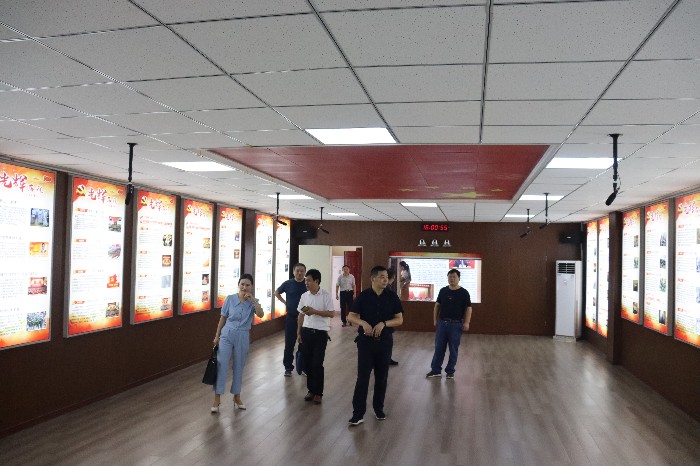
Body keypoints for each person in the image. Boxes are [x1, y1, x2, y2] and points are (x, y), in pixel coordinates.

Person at [347, 266, 403, 425]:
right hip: (365, 343)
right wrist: (363, 323)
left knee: (382, 377)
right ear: (373, 279)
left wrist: (384, 323)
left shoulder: (392, 297)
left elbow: (399, 319)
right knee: (362, 378)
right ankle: (358, 413)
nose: (385, 280)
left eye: (386, 277)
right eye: (382, 277)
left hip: (384, 342)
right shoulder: (363, 296)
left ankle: (379, 408)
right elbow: (351, 316)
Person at [211, 273, 264, 412]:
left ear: (251, 287)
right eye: (242, 284)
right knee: (221, 365)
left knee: (239, 366)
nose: (244, 287)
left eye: (247, 285)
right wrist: (217, 336)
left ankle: (237, 396)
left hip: (243, 335)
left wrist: (253, 301)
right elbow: (223, 318)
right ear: (238, 285)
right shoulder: (230, 299)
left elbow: (261, 314)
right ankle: (217, 399)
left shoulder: (253, 302)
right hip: (227, 334)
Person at [426, 269, 472, 379]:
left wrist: (467, 322)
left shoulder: (464, 293)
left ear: (459, 278)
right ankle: (436, 370)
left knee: (453, 349)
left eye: (454, 277)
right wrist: (435, 320)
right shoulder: (443, 291)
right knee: (439, 348)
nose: (452, 279)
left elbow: (469, 308)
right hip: (442, 324)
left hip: (456, 325)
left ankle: (450, 371)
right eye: (450, 277)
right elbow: (437, 306)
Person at [297, 269, 335, 404]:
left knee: (317, 363)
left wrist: (315, 312)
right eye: (305, 280)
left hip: (320, 333)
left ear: (316, 281)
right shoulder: (304, 296)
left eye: (308, 280)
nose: (306, 283)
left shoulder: (326, 295)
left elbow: (331, 313)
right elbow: (301, 314)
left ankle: (318, 392)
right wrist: (299, 332)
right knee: (307, 363)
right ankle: (311, 390)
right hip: (306, 332)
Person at [274, 263, 307, 377]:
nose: (299, 273)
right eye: (297, 271)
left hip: (306, 319)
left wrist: (305, 311)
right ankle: (288, 367)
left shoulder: (307, 284)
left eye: (302, 271)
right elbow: (276, 292)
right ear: (293, 272)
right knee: (289, 343)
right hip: (291, 318)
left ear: (305, 272)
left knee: (304, 343)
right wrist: (285, 303)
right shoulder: (288, 283)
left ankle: (303, 367)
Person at [386, 268, 399, 366]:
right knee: (387, 341)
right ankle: (386, 359)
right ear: (393, 277)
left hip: (387, 319)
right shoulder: (388, 289)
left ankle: (387, 358)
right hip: (387, 319)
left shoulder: (387, 288)